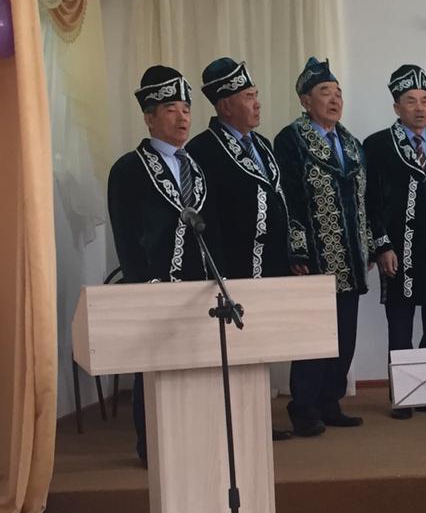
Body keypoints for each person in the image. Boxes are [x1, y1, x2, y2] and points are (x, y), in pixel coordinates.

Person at [108, 65, 222, 465]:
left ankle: (195, 442)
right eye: (171, 109)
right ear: (149, 117)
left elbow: (210, 229)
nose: (182, 117)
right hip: (155, 287)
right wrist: (144, 285)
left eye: (186, 109)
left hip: (198, 287)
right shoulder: (129, 168)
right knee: (155, 371)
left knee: (197, 368)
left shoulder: (196, 166)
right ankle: (153, 447)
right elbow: (125, 235)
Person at [274, 57, 370, 437]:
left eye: (338, 93)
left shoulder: (351, 143)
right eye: (325, 92)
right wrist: (297, 250)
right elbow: (288, 199)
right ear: (305, 100)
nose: (334, 100)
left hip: (350, 256)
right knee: (314, 335)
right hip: (314, 257)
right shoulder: (291, 140)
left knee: (345, 335)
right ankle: (304, 407)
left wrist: (368, 246)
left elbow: (363, 200)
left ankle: (331, 401)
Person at [363, 64, 426, 419]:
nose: (419, 108)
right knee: (400, 327)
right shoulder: (377, 145)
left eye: (424, 100)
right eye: (410, 101)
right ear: (396, 107)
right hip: (399, 252)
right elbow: (370, 200)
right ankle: (403, 395)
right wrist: (382, 245)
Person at [187, 58, 291, 281]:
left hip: (279, 269)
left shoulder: (263, 144)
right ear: (226, 107)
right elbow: (209, 220)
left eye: (256, 95)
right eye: (249, 97)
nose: (257, 104)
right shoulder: (202, 149)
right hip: (239, 273)